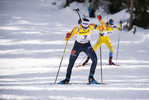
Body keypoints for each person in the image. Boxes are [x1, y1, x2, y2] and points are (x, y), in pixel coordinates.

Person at [59, 15, 106, 84]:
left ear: (88, 25)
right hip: (77, 46)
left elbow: (104, 28)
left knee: (95, 59)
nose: (84, 28)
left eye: (86, 27)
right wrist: (67, 36)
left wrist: (101, 20)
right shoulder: (77, 28)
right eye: (83, 27)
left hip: (87, 45)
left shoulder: (91, 26)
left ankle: (91, 78)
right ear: (81, 25)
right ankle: (67, 79)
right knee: (71, 63)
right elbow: (66, 39)